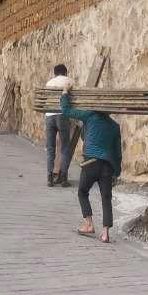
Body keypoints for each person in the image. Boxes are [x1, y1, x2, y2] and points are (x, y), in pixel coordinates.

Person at [60, 87, 123, 244]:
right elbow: (118, 152)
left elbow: (66, 111)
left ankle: (89, 224)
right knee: (106, 198)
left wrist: (65, 93)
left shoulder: (89, 116)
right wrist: (117, 171)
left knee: (82, 192)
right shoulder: (114, 126)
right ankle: (105, 233)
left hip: (91, 163)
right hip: (107, 166)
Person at [43, 63, 74, 187]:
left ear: (55, 73)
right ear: (65, 72)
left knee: (50, 148)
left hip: (49, 116)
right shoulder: (69, 81)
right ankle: (63, 177)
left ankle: (49, 177)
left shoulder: (49, 83)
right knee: (65, 147)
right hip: (62, 115)